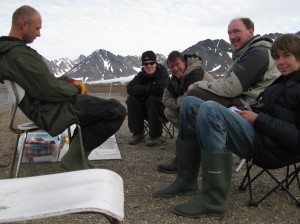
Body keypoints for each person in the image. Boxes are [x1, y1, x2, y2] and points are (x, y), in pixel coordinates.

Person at [154, 33, 300, 219]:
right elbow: (267, 109)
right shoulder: (282, 82)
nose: (280, 61)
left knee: (210, 109)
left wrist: (257, 119)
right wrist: (241, 111)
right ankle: (186, 180)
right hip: (259, 133)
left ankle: (214, 201)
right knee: (190, 103)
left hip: (271, 148)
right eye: (277, 56)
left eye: (286, 55)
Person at [0, 5, 127, 171]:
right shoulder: (17, 55)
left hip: (49, 104)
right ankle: (74, 158)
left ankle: (79, 156)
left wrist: (66, 80)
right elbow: (48, 89)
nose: (39, 33)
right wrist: (76, 89)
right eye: (37, 28)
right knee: (116, 110)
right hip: (51, 109)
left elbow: (42, 82)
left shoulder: (11, 53)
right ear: (24, 24)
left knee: (101, 109)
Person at [157, 17, 280, 174]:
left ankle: (186, 162)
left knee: (192, 96)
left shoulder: (257, 53)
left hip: (250, 107)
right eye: (229, 33)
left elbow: (230, 89)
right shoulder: (247, 53)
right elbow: (165, 98)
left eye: (236, 31)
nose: (232, 36)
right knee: (186, 104)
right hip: (245, 101)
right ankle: (187, 166)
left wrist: (198, 85)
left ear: (251, 31)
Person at [126, 51, 169, 147]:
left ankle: (155, 136)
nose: (149, 66)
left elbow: (162, 89)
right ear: (143, 65)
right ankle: (138, 134)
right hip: (145, 111)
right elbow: (130, 88)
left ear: (156, 63)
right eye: (145, 64)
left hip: (162, 111)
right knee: (132, 99)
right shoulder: (141, 75)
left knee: (153, 99)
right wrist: (149, 88)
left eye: (151, 63)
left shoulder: (162, 73)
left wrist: (143, 90)